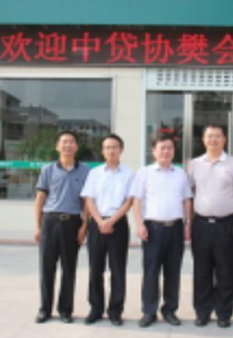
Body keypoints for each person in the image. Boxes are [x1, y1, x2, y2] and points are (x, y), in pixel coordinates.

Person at [187, 124, 233, 328]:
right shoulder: (194, 164)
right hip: (201, 224)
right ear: (203, 140)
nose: (213, 140)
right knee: (202, 270)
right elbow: (189, 193)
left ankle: (224, 313)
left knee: (226, 270)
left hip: (226, 224)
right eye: (209, 136)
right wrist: (188, 221)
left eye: (217, 136)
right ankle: (202, 312)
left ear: (224, 139)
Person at [130, 134, 193, 328]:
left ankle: (170, 310)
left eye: (169, 148)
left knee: (173, 272)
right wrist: (139, 224)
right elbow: (137, 200)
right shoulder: (145, 172)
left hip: (175, 228)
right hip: (153, 228)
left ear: (174, 151)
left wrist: (187, 223)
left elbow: (187, 200)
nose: (166, 151)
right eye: (162, 148)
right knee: (151, 272)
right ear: (154, 151)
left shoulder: (180, 174)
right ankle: (149, 311)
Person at [33, 130, 89, 324]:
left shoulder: (85, 170)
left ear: (77, 146)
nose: (68, 145)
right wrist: (38, 226)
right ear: (57, 146)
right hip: (50, 221)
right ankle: (45, 309)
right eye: (64, 142)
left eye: (71, 142)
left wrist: (84, 226)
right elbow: (40, 199)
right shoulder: (48, 170)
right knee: (46, 267)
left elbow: (86, 201)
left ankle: (66, 310)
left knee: (69, 268)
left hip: (72, 222)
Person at [80, 133, 133, 326]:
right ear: (102, 151)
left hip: (118, 224)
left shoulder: (129, 173)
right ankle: (95, 309)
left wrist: (111, 221)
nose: (111, 151)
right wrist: (99, 221)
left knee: (118, 269)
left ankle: (115, 311)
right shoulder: (95, 173)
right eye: (108, 147)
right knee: (96, 268)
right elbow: (89, 199)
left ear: (121, 150)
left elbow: (129, 201)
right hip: (97, 224)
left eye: (115, 147)